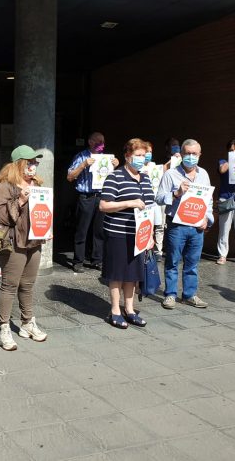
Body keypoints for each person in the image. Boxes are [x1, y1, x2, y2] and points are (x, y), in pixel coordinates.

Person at [0, 145, 48, 351]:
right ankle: (3, 328)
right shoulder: (5, 186)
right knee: (9, 285)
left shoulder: (38, 184)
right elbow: (0, 216)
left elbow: (44, 211)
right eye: (30, 162)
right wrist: (22, 199)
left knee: (28, 284)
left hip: (34, 241)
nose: (34, 166)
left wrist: (47, 228)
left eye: (35, 162)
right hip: (12, 242)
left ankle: (27, 323)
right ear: (19, 164)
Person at [99, 138, 154, 328]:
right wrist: (129, 203)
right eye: (137, 155)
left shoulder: (146, 178)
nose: (141, 159)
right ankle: (115, 310)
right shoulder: (115, 177)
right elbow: (104, 205)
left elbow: (150, 208)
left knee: (132, 274)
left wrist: (150, 235)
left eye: (143, 155)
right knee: (117, 274)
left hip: (138, 235)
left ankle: (129, 309)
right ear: (127, 156)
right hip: (117, 233)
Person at [156, 139, 213, 309]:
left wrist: (207, 219)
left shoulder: (204, 174)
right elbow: (158, 198)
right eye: (187, 153)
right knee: (172, 261)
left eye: (194, 154)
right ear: (181, 154)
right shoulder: (170, 174)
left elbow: (208, 201)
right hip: (177, 225)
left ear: (199, 155)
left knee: (192, 263)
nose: (190, 156)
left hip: (197, 227)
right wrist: (176, 193)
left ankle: (189, 294)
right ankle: (170, 295)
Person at [67, 132, 118, 272]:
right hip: (86, 196)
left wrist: (116, 165)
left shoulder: (106, 158)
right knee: (82, 230)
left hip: (101, 196)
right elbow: (70, 177)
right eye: (98, 141)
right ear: (90, 141)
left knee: (99, 231)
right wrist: (83, 165)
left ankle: (97, 259)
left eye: (103, 141)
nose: (101, 143)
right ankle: (78, 261)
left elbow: (113, 178)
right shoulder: (81, 156)